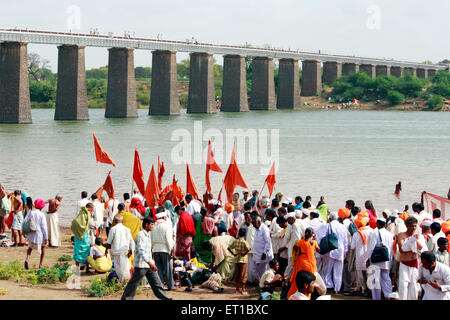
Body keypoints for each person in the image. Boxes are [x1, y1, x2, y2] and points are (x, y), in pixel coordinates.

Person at [121, 217, 171, 300]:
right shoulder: (141, 235)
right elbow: (141, 251)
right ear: (146, 225)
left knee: (156, 283)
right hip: (141, 265)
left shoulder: (148, 235)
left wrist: (151, 263)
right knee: (133, 284)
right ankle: (126, 298)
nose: (152, 226)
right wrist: (150, 263)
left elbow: (148, 251)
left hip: (148, 264)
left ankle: (164, 298)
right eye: (151, 225)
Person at [316, 211, 348, 294]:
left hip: (330, 250)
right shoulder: (342, 226)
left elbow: (321, 237)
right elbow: (345, 241)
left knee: (327, 269)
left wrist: (320, 248)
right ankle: (337, 288)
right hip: (340, 251)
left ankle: (327, 286)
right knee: (338, 271)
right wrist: (345, 251)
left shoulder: (327, 226)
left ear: (329, 219)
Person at [397, 216, 428, 300]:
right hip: (404, 264)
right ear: (407, 226)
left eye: (415, 226)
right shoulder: (401, 235)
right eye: (412, 226)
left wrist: (415, 240)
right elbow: (402, 250)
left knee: (414, 287)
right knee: (403, 286)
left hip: (414, 264)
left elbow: (423, 249)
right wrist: (411, 240)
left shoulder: (418, 237)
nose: (414, 228)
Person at [288, 227, 321, 298]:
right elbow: (319, 250)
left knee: (299, 279)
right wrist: (314, 240)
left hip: (301, 262)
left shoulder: (300, 242)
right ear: (312, 234)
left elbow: (295, 248)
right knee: (309, 281)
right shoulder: (313, 242)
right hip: (311, 264)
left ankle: (293, 295)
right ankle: (307, 296)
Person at [366, 217, 394, 300]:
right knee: (386, 279)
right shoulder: (389, 234)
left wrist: (368, 259)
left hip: (376, 260)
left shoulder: (375, 233)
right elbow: (391, 249)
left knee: (375, 280)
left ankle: (376, 298)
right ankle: (388, 296)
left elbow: (371, 247)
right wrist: (390, 261)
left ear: (377, 224)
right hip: (386, 260)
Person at [106, 214, 135, 282]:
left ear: (115, 221)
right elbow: (132, 242)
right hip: (125, 252)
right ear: (122, 221)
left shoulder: (113, 229)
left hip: (116, 252)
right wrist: (131, 251)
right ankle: (126, 281)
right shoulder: (127, 229)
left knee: (118, 269)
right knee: (125, 267)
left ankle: (123, 281)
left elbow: (109, 242)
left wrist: (106, 250)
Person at [152, 211, 175, 290]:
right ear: (164, 217)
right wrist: (171, 249)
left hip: (155, 249)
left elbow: (151, 238)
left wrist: (152, 248)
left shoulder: (154, 226)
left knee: (158, 269)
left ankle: (160, 285)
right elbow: (168, 239)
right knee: (168, 268)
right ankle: (170, 285)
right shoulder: (166, 226)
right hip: (164, 249)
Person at [23, 198, 48, 270]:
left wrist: (24, 231)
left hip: (31, 233)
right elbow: (44, 227)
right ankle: (40, 264)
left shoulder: (31, 212)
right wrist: (46, 238)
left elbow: (25, 221)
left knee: (30, 248)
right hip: (39, 234)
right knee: (43, 247)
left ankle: (27, 259)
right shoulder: (41, 215)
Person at [350, 216, 372, 296]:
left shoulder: (356, 234)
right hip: (369, 257)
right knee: (369, 274)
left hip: (360, 257)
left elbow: (352, 246)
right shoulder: (371, 231)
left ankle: (361, 289)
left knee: (360, 275)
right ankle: (369, 291)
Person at [250, 214, 273, 282]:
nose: (253, 226)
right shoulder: (257, 228)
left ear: (259, 222)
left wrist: (264, 253)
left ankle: (263, 284)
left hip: (264, 254)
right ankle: (261, 282)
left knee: (264, 271)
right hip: (257, 252)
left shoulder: (264, 229)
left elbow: (267, 242)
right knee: (253, 270)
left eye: (254, 224)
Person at [71, 202, 94, 274]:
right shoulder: (87, 213)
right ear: (89, 208)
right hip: (85, 235)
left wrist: (78, 231)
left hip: (78, 236)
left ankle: (77, 269)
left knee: (78, 251)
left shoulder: (81, 212)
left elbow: (75, 222)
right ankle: (87, 268)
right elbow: (90, 224)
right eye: (92, 209)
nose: (92, 211)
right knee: (86, 250)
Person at [228, 227, 251, 294]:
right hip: (243, 260)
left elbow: (229, 248)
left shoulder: (236, 241)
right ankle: (243, 289)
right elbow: (248, 249)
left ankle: (237, 289)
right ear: (245, 234)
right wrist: (245, 253)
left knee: (237, 275)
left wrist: (234, 254)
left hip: (237, 259)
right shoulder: (244, 242)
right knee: (243, 275)